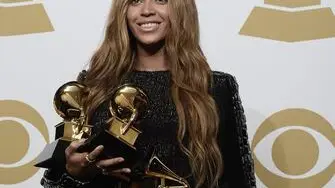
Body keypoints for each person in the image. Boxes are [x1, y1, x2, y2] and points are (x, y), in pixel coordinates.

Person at [40, 0, 256, 187]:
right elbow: (52, 182)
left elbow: (239, 180)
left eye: (161, 0)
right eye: (135, 1)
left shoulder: (216, 87)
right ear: (122, 11)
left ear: (181, 8)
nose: (146, 10)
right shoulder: (93, 85)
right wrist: (75, 173)